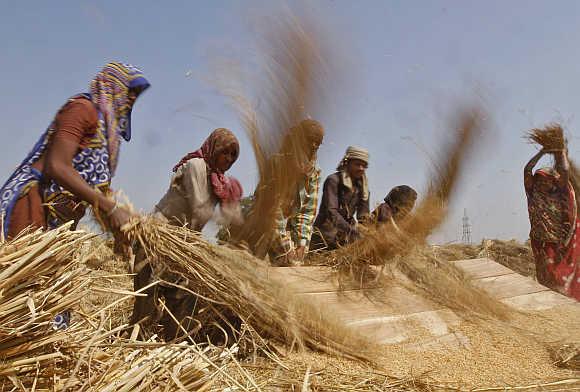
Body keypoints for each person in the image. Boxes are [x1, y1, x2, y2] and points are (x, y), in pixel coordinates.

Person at [0, 62, 149, 240]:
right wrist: (111, 208)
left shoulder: (108, 134)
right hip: (34, 204)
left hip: (60, 217)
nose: (133, 98)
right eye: (130, 89)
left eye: (137, 94)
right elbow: (56, 166)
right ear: (112, 85)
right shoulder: (82, 109)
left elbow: (93, 188)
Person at [131, 128, 244, 340]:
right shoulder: (196, 166)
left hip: (183, 243)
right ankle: (135, 345)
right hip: (158, 237)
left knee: (184, 297)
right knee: (148, 297)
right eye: (225, 152)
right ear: (214, 148)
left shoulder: (219, 180)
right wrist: (226, 213)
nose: (228, 159)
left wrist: (238, 212)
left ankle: (174, 346)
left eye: (233, 155)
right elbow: (199, 208)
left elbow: (232, 218)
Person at [524, 147, 580, 300]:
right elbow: (527, 169)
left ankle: (561, 297)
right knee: (544, 273)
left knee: (556, 272)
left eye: (546, 180)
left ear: (552, 182)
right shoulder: (533, 192)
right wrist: (541, 152)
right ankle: (551, 297)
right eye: (539, 179)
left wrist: (561, 154)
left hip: (556, 242)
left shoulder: (558, 194)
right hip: (539, 241)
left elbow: (565, 173)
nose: (542, 182)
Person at [268, 119, 324, 266]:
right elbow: (273, 210)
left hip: (286, 231)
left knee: (295, 268)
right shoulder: (277, 164)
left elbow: (307, 211)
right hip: (264, 228)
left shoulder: (314, 172)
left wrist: (301, 244)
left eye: (317, 144)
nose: (313, 147)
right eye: (310, 141)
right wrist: (286, 248)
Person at [310, 146, 370, 251]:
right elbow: (331, 212)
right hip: (324, 237)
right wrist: (352, 231)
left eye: (364, 166)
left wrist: (367, 232)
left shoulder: (363, 188)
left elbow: (363, 216)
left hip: (346, 239)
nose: (361, 168)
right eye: (357, 164)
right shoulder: (333, 180)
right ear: (347, 163)